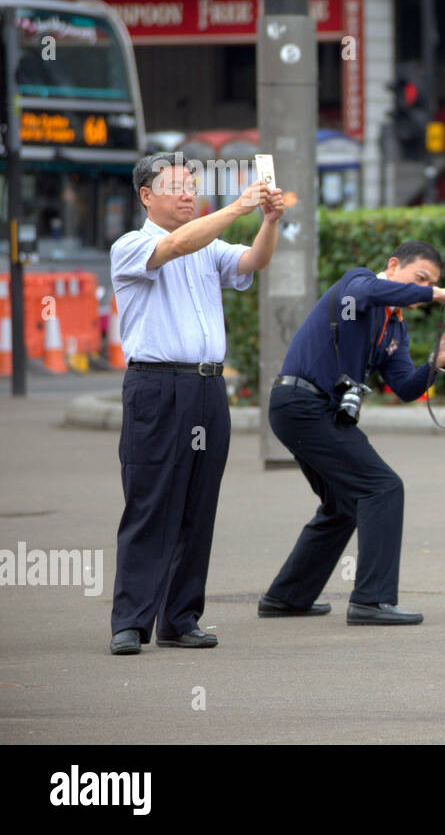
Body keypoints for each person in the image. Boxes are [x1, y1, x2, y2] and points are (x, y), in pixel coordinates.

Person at [109, 153, 283, 656]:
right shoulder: (133, 245)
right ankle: (131, 621)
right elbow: (175, 245)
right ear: (147, 195)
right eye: (176, 186)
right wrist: (239, 206)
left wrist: (268, 220)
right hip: (156, 388)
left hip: (208, 388)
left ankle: (181, 617)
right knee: (150, 503)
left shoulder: (208, 247)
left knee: (197, 506)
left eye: (191, 186)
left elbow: (254, 261)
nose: (188, 193)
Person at [259, 241, 445, 626]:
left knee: (343, 505)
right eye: (419, 279)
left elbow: (405, 387)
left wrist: (436, 359)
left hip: (315, 412)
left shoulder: (395, 326)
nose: (423, 292)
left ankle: (287, 597)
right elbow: (366, 293)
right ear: (392, 265)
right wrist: (438, 293)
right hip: (301, 405)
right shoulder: (359, 283)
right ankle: (371, 601)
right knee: (383, 487)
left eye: (431, 284)